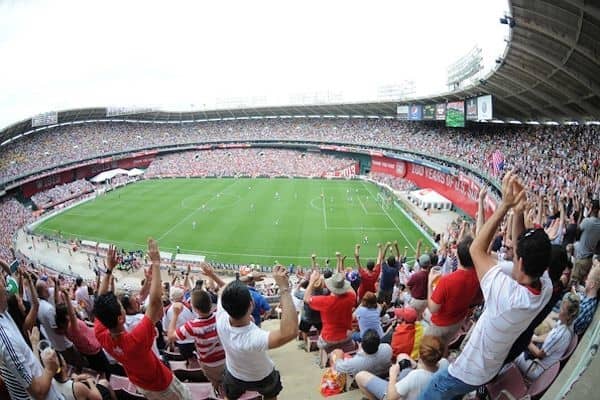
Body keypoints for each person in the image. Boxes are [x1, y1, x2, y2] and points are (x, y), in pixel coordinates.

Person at [419, 172, 553, 400]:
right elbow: (520, 249)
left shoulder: (505, 293)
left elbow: (476, 250)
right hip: (490, 365)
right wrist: (519, 212)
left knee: (431, 391)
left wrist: (505, 206)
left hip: (469, 370)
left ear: (519, 261)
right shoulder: (545, 285)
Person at [93, 241, 191, 400]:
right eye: (121, 307)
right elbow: (154, 303)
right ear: (120, 318)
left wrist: (109, 270)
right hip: (162, 384)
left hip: (140, 383)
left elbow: (100, 300)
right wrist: (157, 262)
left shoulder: (100, 334)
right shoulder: (135, 339)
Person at [206, 262, 297, 400]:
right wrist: (284, 288)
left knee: (231, 394)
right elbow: (289, 331)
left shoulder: (221, 318)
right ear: (251, 304)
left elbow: (224, 289)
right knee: (271, 393)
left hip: (234, 373)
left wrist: (249, 277)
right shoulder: (255, 337)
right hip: (262, 375)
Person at [0, 277, 64, 400]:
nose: (5, 283)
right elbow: (38, 392)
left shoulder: (4, 313)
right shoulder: (6, 340)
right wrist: (50, 369)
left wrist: (34, 345)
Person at [425, 236, 482, 344]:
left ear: (458, 256)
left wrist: (429, 283)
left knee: (429, 351)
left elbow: (433, 308)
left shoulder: (447, 281)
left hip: (440, 325)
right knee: (445, 345)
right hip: (458, 321)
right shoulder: (480, 275)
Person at [167, 287, 225, 391]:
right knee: (225, 380)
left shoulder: (192, 326)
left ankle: (217, 390)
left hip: (208, 364)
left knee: (215, 381)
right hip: (225, 359)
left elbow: (171, 336)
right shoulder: (220, 317)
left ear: (195, 308)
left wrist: (175, 315)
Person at [356, 335, 447, 400]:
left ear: (420, 355)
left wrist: (393, 375)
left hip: (398, 394)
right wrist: (415, 365)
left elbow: (391, 397)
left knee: (360, 376)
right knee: (402, 356)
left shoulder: (416, 376)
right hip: (417, 386)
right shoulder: (444, 363)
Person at [515, 292, 580, 380]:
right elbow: (550, 335)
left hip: (538, 370)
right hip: (542, 360)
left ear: (568, 316)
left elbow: (539, 354)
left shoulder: (561, 334)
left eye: (562, 309)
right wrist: (534, 338)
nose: (559, 311)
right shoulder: (567, 323)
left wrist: (526, 340)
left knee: (513, 350)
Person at [304, 267, 356, 356]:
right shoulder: (350, 298)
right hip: (346, 336)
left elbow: (306, 299)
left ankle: (323, 359)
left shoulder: (325, 301)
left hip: (328, 339)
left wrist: (312, 281)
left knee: (320, 343)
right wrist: (343, 280)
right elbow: (353, 292)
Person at [162, 287, 195, 361]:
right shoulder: (190, 307)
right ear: (182, 297)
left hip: (178, 340)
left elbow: (166, 329)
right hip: (192, 340)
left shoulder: (167, 310)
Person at [572, 199, 600, 284]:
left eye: (590, 206)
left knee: (574, 284)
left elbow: (576, 234)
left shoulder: (587, 221)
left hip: (581, 258)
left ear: (592, 208)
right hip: (589, 259)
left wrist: (583, 215)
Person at [573, 265, 600, 336]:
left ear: (592, 284)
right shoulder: (587, 295)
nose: (585, 281)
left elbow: (568, 324)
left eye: (587, 279)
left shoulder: (586, 308)